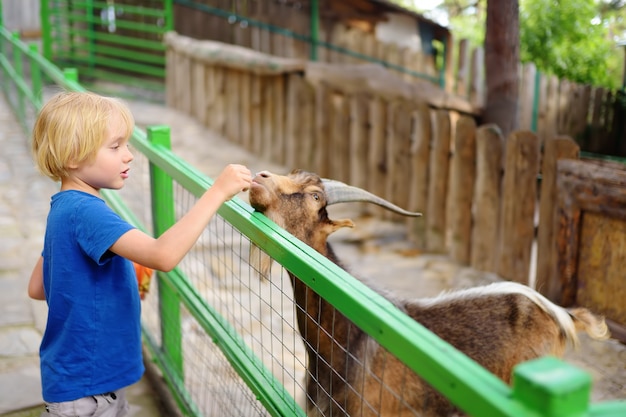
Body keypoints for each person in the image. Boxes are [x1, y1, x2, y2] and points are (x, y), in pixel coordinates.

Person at [27, 90, 252, 417]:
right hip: (89, 392)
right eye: (115, 146)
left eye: (127, 145)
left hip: (75, 380)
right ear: (74, 156)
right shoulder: (87, 212)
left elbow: (37, 287)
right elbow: (163, 255)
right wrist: (216, 192)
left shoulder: (62, 207)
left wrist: (109, 281)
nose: (129, 155)